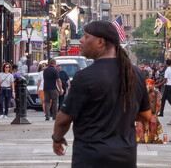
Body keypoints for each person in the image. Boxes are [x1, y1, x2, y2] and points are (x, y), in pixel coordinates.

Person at [52, 20, 151, 167]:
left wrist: (57, 139)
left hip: (91, 157)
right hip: (125, 156)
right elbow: (146, 115)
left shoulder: (84, 76)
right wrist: (121, 113)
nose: (81, 40)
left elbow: (64, 119)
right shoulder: (135, 74)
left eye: (86, 36)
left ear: (100, 41)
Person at [136, 79, 163, 143]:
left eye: (150, 84)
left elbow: (158, 105)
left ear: (153, 85)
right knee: (139, 121)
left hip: (152, 113)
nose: (148, 86)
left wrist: (156, 114)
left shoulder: (157, 93)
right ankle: (141, 138)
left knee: (153, 121)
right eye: (147, 84)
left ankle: (152, 138)